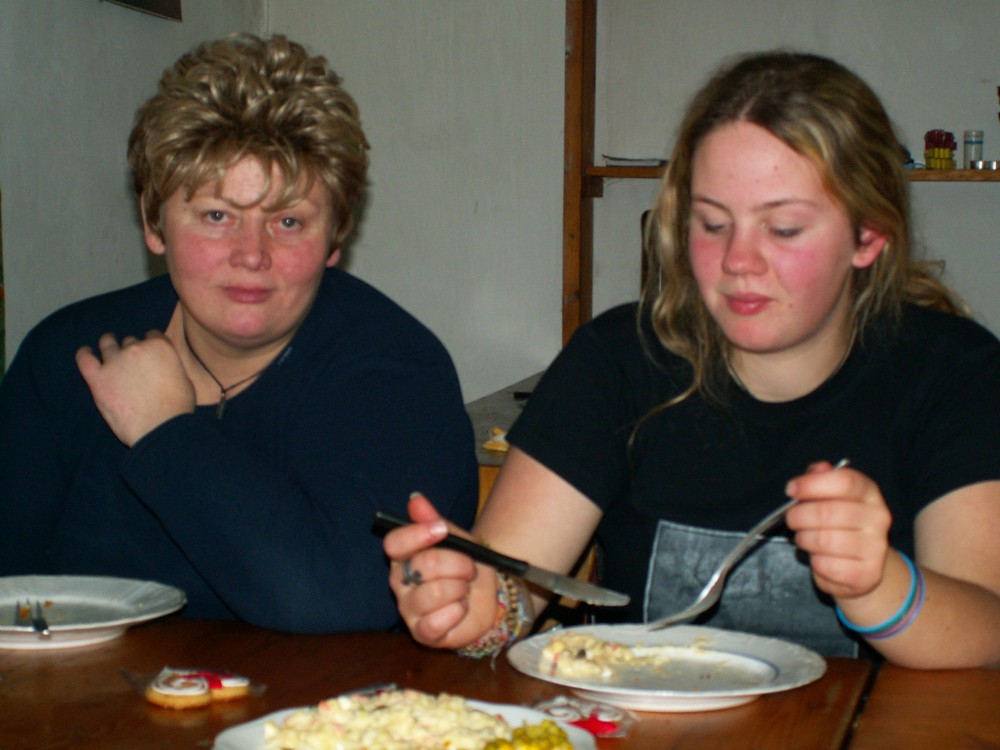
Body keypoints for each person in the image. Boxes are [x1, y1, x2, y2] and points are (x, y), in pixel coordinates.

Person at [384, 51, 1000, 668]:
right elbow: (509, 594)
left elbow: (988, 633)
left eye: (783, 229)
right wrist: (468, 606)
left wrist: (879, 585)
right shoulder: (617, 361)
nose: (738, 261)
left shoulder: (955, 373)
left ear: (869, 236)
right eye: (711, 224)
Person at [0, 34, 477, 633]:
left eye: (288, 221)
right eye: (217, 216)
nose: (252, 255)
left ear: (335, 237)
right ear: (154, 222)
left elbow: (336, 595)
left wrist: (165, 433)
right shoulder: (66, 359)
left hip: (330, 695)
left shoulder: (396, 371)